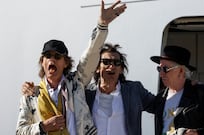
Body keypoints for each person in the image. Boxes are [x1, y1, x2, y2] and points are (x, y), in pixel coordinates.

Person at [16, 1, 127, 135]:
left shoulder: (76, 83)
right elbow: (20, 131)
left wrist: (102, 25)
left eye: (57, 57)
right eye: (47, 56)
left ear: (66, 63)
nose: (52, 59)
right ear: (42, 62)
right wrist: (43, 127)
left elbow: (90, 55)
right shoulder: (31, 96)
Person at [150, 45, 204, 135]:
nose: (161, 74)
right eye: (159, 69)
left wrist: (198, 133)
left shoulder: (200, 93)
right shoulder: (160, 97)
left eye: (165, 69)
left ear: (181, 71)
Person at [85, 43, 156, 135]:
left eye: (116, 63)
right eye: (106, 62)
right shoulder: (86, 93)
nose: (111, 66)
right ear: (97, 67)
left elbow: (159, 106)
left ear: (121, 69)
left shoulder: (134, 91)